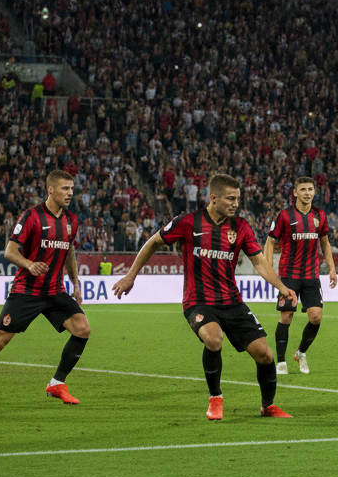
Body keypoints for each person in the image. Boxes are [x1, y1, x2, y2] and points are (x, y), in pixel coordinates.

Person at [113, 174, 297, 420]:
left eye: (238, 199)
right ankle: (215, 398)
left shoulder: (241, 227)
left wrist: (282, 287)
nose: (235, 203)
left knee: (265, 354)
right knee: (213, 339)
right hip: (197, 301)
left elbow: (259, 262)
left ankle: (268, 406)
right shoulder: (189, 222)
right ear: (214, 198)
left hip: (232, 301)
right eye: (230, 199)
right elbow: (153, 243)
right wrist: (130, 276)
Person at [0, 170, 92, 407]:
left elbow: (69, 252)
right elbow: (10, 251)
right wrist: (29, 264)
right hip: (26, 291)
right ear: (50, 189)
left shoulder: (72, 220)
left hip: (55, 291)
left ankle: (57, 383)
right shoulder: (32, 216)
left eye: (72, 189)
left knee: (82, 329)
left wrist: (76, 284)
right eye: (65, 188)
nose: (70, 193)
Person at [264, 177, 338, 374]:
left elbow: (325, 242)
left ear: (314, 192)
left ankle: (301, 352)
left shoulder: (320, 215)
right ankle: (280, 361)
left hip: (311, 274)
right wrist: (268, 267)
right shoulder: (285, 216)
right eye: (303, 189)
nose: (307, 193)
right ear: (295, 193)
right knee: (286, 316)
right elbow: (271, 241)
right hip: (288, 275)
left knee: (316, 317)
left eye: (310, 189)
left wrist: (331, 267)